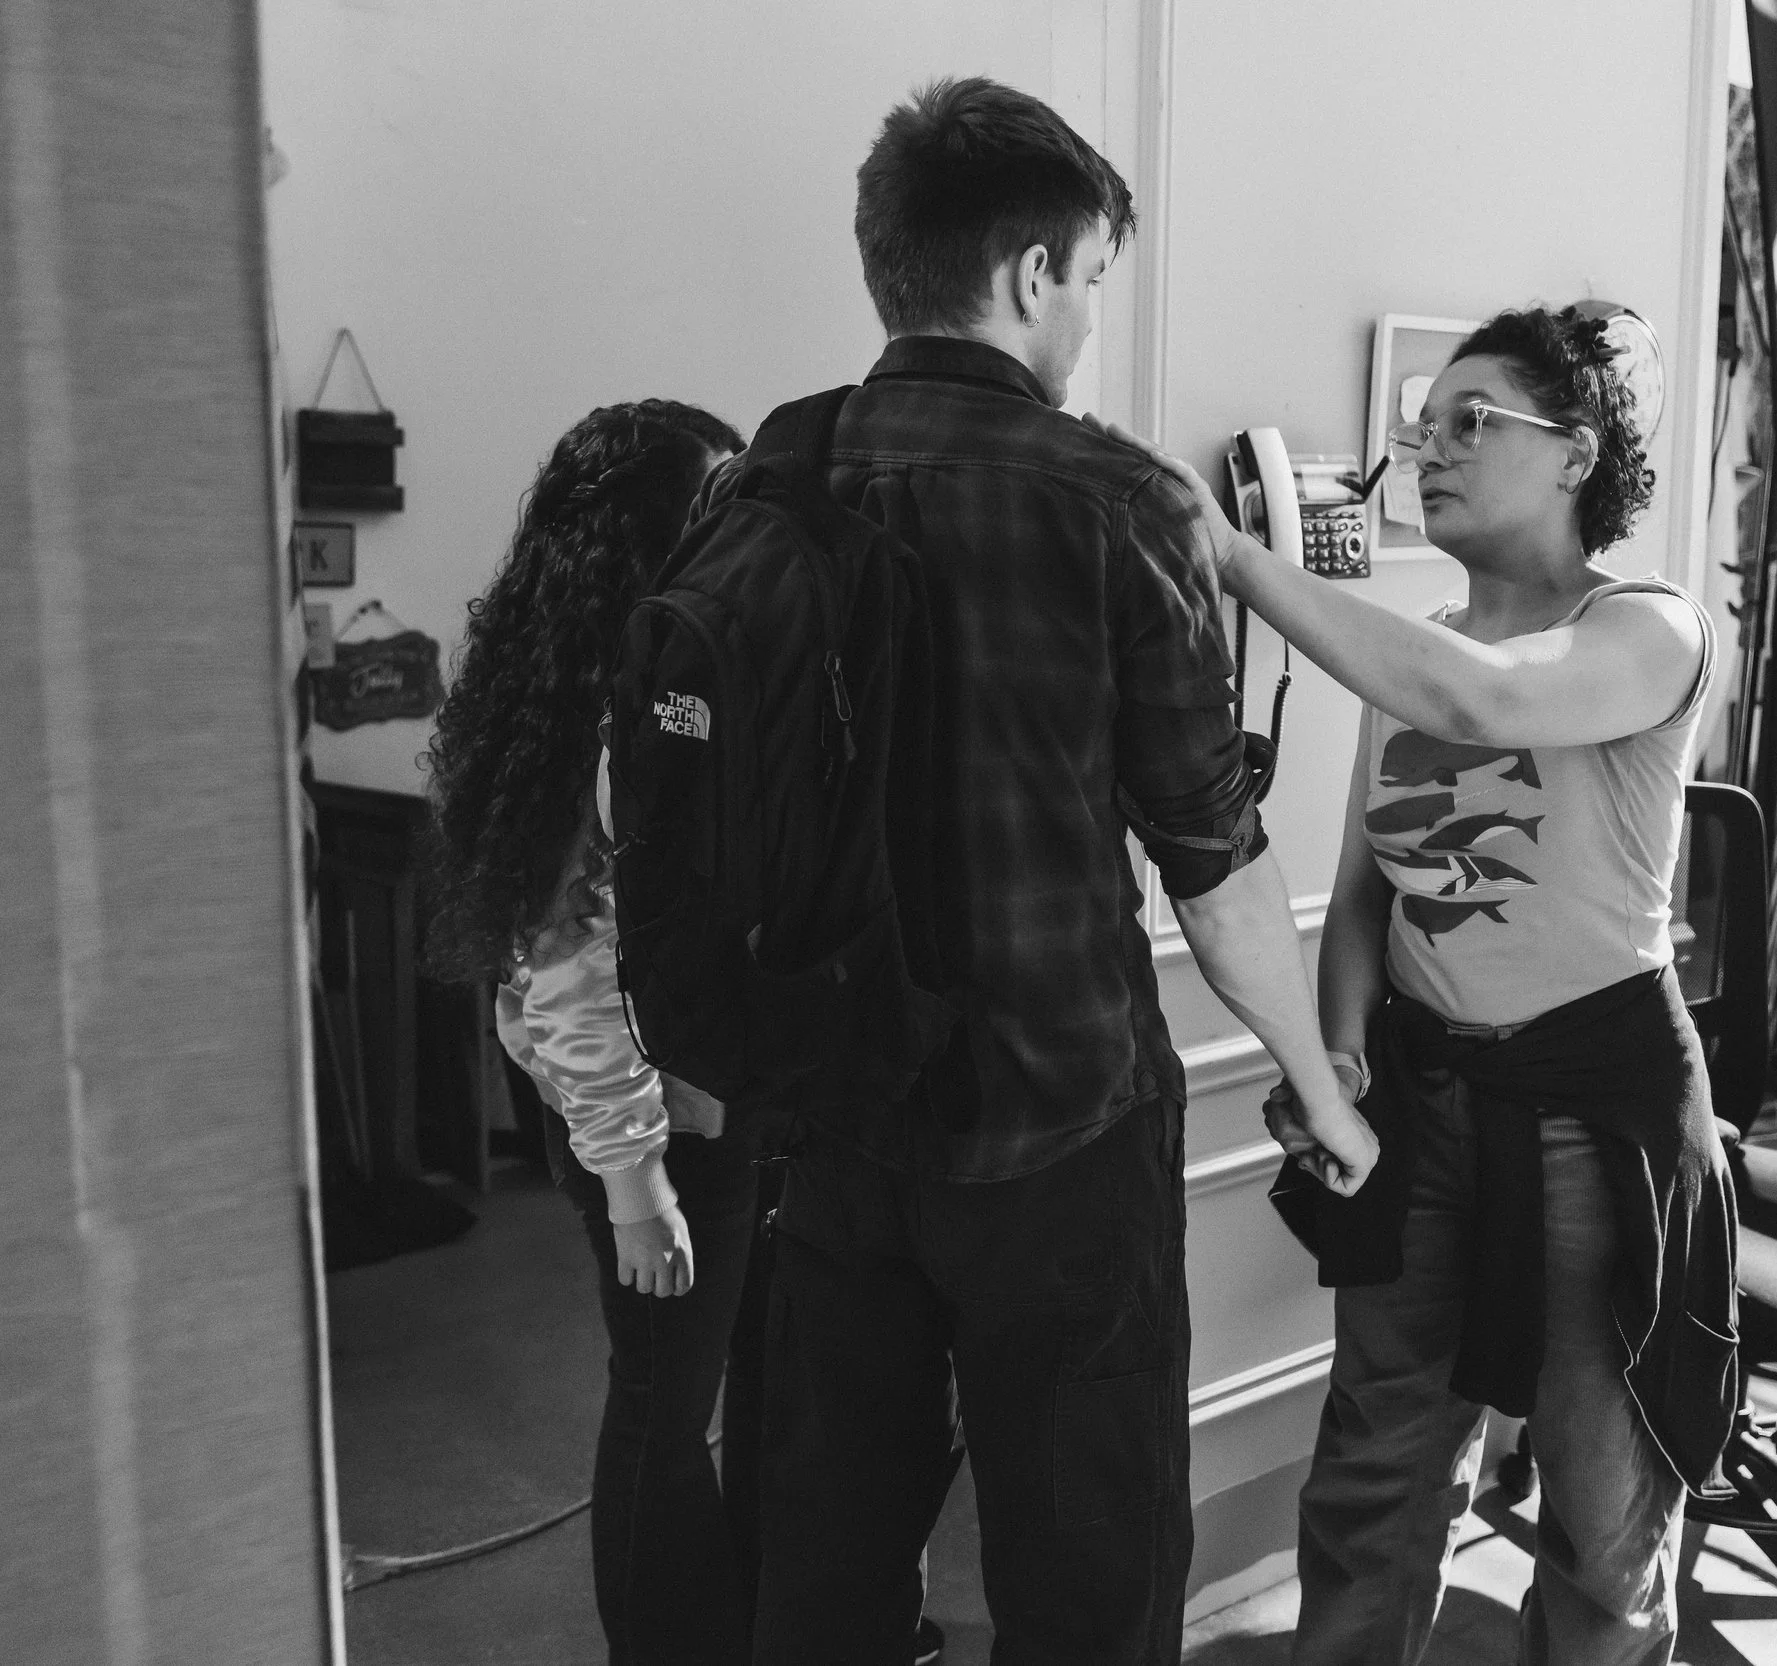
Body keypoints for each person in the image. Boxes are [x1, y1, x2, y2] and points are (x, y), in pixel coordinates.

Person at [729, 78, 1378, 1666]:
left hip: (831, 1110)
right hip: (1058, 1123)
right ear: (1030, 272)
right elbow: (1216, 869)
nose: (1088, 319)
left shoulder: (779, 468)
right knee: (1088, 1558)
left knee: (829, 1549)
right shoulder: (1117, 500)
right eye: (1089, 279)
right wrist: (1321, 1085)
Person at [1092, 305, 1737, 1666]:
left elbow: (1491, 704)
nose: (1426, 449)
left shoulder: (1649, 626)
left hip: (1593, 1116)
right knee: (1375, 1479)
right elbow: (1367, 893)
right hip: (1427, 1105)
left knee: (1604, 1524)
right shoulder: (1416, 651)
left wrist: (1237, 559)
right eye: (1421, 425)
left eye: (1470, 422)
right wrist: (1338, 1072)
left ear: (1580, 454)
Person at [423, 398, 764, 1666]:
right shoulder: (602, 698)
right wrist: (634, 1179)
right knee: (664, 1411)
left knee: (691, 1396)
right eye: (714, 504)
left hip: (689, 1108)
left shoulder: (613, 669)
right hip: (652, 1124)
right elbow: (561, 972)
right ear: (649, 531)